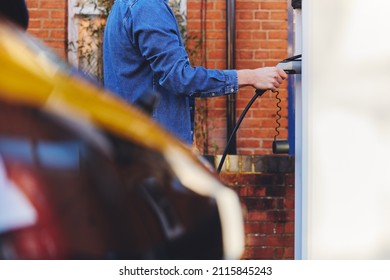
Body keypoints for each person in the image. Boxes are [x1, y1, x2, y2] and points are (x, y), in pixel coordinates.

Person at [103, 0, 287, 144]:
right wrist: (251, 76)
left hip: (133, 148)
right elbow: (180, 78)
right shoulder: (148, 7)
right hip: (151, 150)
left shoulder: (124, 6)